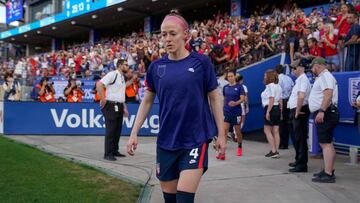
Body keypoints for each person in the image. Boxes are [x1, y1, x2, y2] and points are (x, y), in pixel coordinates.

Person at [127, 10, 226, 203]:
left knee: (184, 198)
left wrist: (221, 133)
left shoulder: (201, 62)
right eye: (163, 34)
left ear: (186, 35)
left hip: (195, 139)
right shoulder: (155, 67)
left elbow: (215, 97)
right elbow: (147, 101)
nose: (167, 39)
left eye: (173, 33)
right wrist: (134, 132)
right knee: (170, 199)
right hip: (166, 141)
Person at [309, 57, 339, 183]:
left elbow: (328, 94)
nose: (311, 69)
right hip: (326, 112)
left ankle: (328, 173)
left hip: (325, 112)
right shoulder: (324, 77)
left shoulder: (325, 76)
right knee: (327, 143)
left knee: (325, 144)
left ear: (317, 66)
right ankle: (328, 170)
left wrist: (321, 111)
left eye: (312, 67)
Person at [96, 59, 129, 161]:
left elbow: (121, 94)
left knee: (117, 130)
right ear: (119, 65)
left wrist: (124, 108)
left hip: (119, 105)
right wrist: (102, 98)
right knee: (111, 130)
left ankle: (114, 150)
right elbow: (99, 84)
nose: (128, 67)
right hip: (111, 105)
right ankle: (108, 153)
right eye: (126, 65)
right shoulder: (113, 74)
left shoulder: (122, 77)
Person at [287, 59, 311, 173]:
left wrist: (297, 111)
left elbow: (301, 96)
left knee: (300, 138)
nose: (293, 70)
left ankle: (302, 165)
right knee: (296, 137)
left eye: (294, 68)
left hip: (299, 110)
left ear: (301, 68)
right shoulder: (299, 80)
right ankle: (298, 160)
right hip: (295, 109)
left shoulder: (303, 80)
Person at [220, 70, 245, 159]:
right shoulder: (225, 87)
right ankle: (222, 152)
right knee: (225, 131)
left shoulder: (239, 87)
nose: (230, 78)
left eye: (231, 76)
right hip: (227, 112)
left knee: (237, 132)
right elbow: (225, 98)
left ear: (235, 76)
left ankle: (239, 146)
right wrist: (222, 108)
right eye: (228, 76)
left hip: (236, 112)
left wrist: (235, 103)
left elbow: (242, 99)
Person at [261, 69, 282, 158]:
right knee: (276, 131)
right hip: (277, 109)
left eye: (265, 76)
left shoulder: (270, 86)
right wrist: (281, 112)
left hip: (270, 108)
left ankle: (274, 151)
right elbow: (280, 100)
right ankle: (276, 150)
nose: (264, 77)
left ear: (269, 76)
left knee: (267, 130)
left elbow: (271, 99)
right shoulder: (278, 86)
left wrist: (268, 111)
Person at [275, 65, 294, 150]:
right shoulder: (289, 78)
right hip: (288, 100)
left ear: (276, 71)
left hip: (281, 101)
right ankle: (285, 143)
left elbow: (278, 92)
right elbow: (292, 88)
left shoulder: (279, 79)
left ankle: (282, 143)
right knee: (287, 123)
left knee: (281, 123)